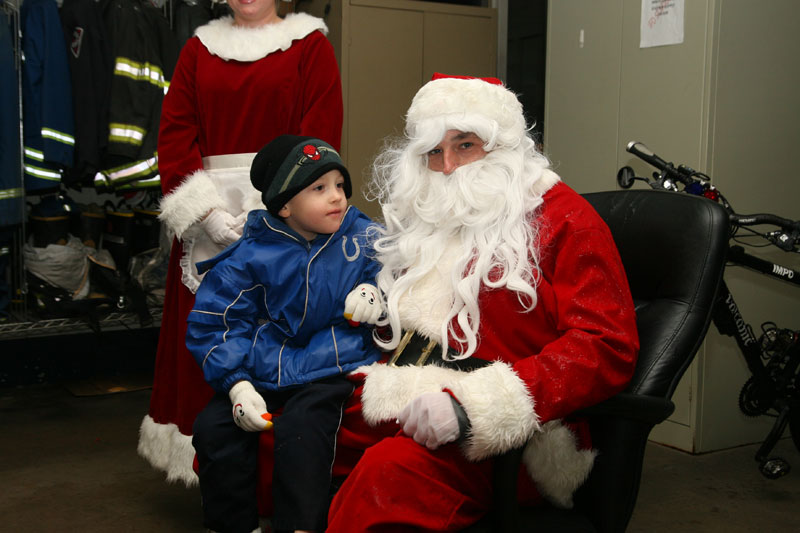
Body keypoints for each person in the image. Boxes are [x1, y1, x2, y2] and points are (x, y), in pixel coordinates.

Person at [253, 73, 640, 530]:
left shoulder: (566, 221)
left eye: (465, 145)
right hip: (397, 393)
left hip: (505, 434)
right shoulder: (433, 212)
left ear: (503, 146)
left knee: (386, 476)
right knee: (269, 442)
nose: (449, 166)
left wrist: (471, 406)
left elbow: (607, 347)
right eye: (434, 152)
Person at [138, 0, 344, 486]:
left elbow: (319, 137)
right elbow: (174, 134)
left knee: (279, 340)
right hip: (207, 225)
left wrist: (277, 212)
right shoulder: (197, 50)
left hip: (286, 218)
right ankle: (218, 483)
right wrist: (205, 213)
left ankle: (280, 480)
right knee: (208, 341)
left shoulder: (310, 45)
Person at [187, 135, 383, 533]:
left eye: (340, 185)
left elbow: (397, 272)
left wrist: (376, 293)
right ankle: (232, 525)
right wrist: (237, 385)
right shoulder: (248, 256)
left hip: (328, 366)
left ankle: (299, 525)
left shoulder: (360, 237)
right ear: (285, 205)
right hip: (259, 372)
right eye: (319, 188)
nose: (337, 198)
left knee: (303, 429)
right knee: (214, 428)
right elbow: (216, 322)